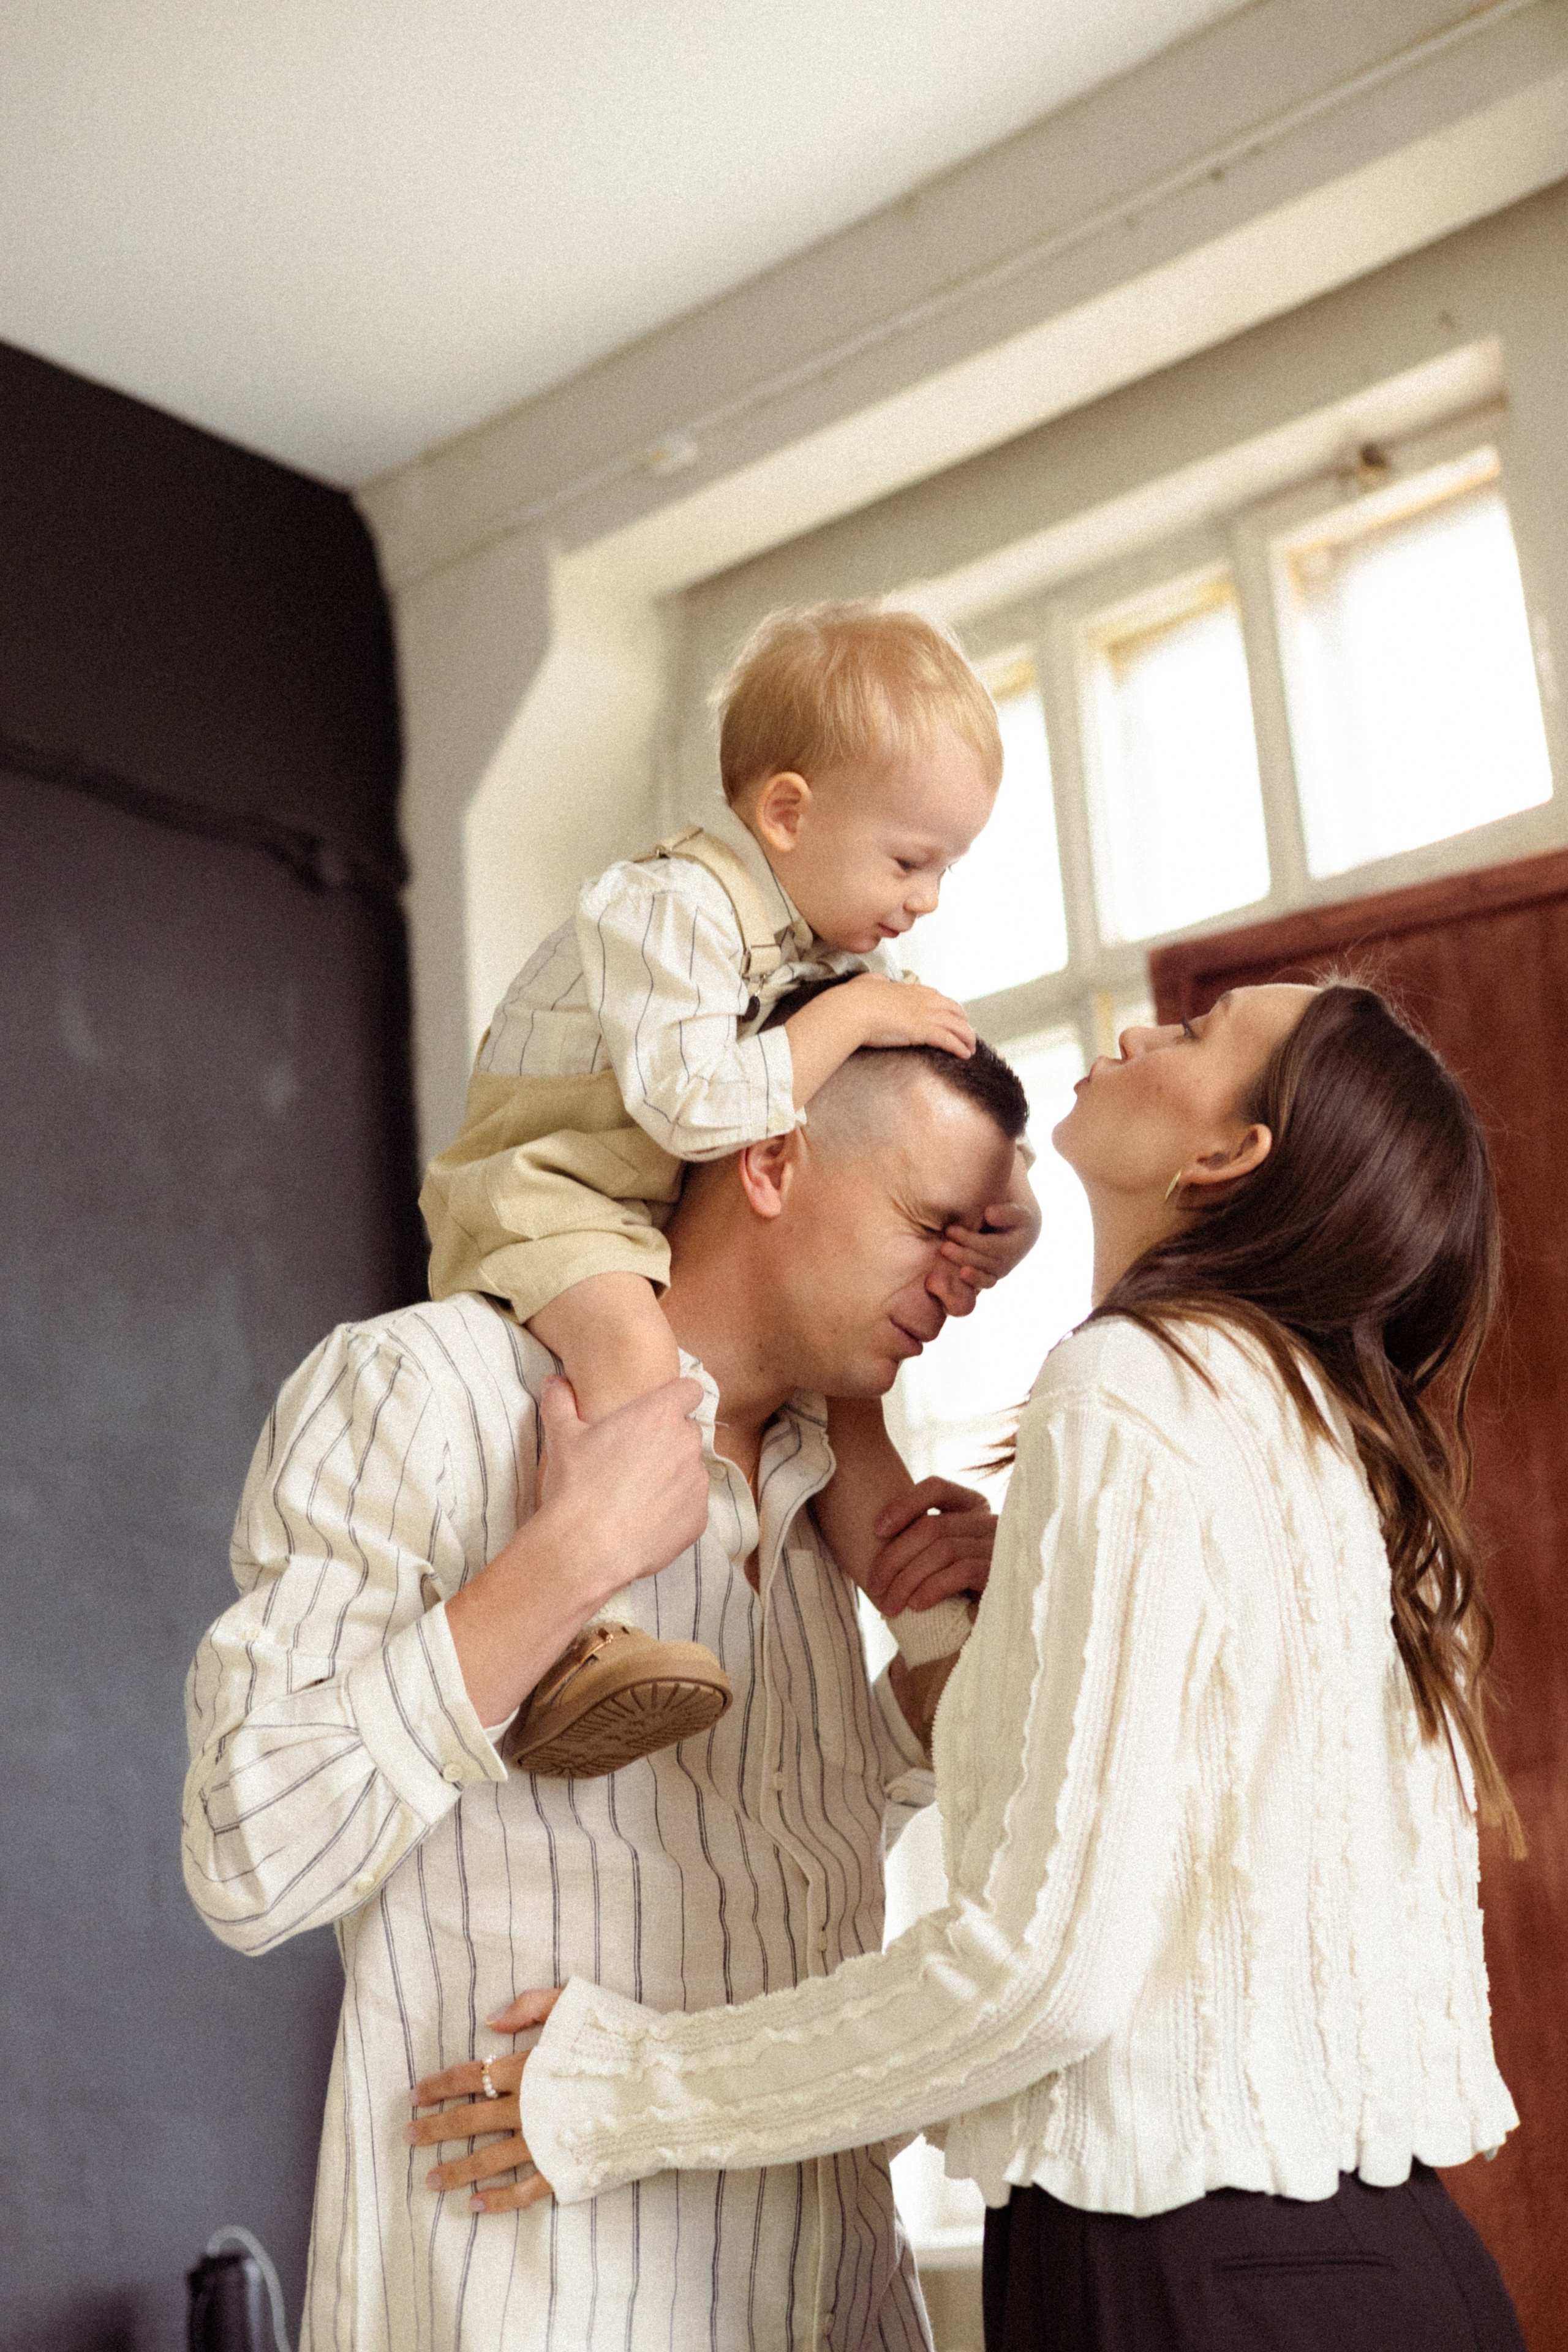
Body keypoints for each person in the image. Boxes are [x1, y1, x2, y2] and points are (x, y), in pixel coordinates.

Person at [420, 981, 1526, 2352]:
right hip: (1398, 2274)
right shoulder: (1312, 1426)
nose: (1133, 1033)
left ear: (1227, 1157)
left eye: (1192, 1036)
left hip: (1189, 2282)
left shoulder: (1133, 1387)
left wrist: (621, 2093)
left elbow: (1038, 1976)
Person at [183, 1024, 1030, 2352]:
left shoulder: (839, 1499)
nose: (957, 1284)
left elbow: (763, 1866)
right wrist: (567, 1560)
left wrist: (917, 1721)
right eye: (929, 1224)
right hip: (538, 2312)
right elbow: (249, 1855)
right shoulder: (423, 1391)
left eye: (975, 1247)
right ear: (768, 1159)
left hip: (835, 2306)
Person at [419, 601, 1039, 1776]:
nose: (929, 899)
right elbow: (700, 1106)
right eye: (912, 861)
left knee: (853, 1424)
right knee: (643, 1379)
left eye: (947, 867)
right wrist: (859, 1011)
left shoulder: (824, 945)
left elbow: (912, 1112)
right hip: (552, 1191)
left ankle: (946, 1646)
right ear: (789, 813)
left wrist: (1008, 1210)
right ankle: (587, 1642)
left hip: (645, 1194)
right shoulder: (669, 910)